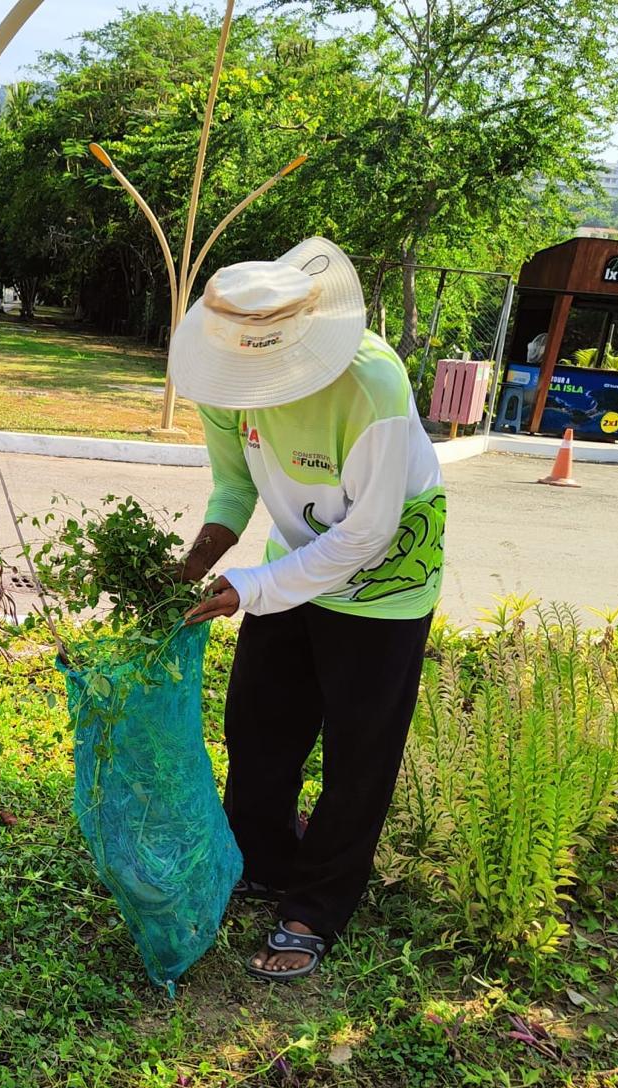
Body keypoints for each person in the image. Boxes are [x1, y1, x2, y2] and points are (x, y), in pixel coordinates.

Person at [172, 237, 444, 982]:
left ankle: (317, 907)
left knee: (359, 754)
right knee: (257, 725)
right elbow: (235, 485)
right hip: (293, 563)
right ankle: (263, 862)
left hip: (387, 580)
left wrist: (253, 588)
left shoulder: (371, 384)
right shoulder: (225, 380)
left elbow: (366, 535)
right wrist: (197, 559)